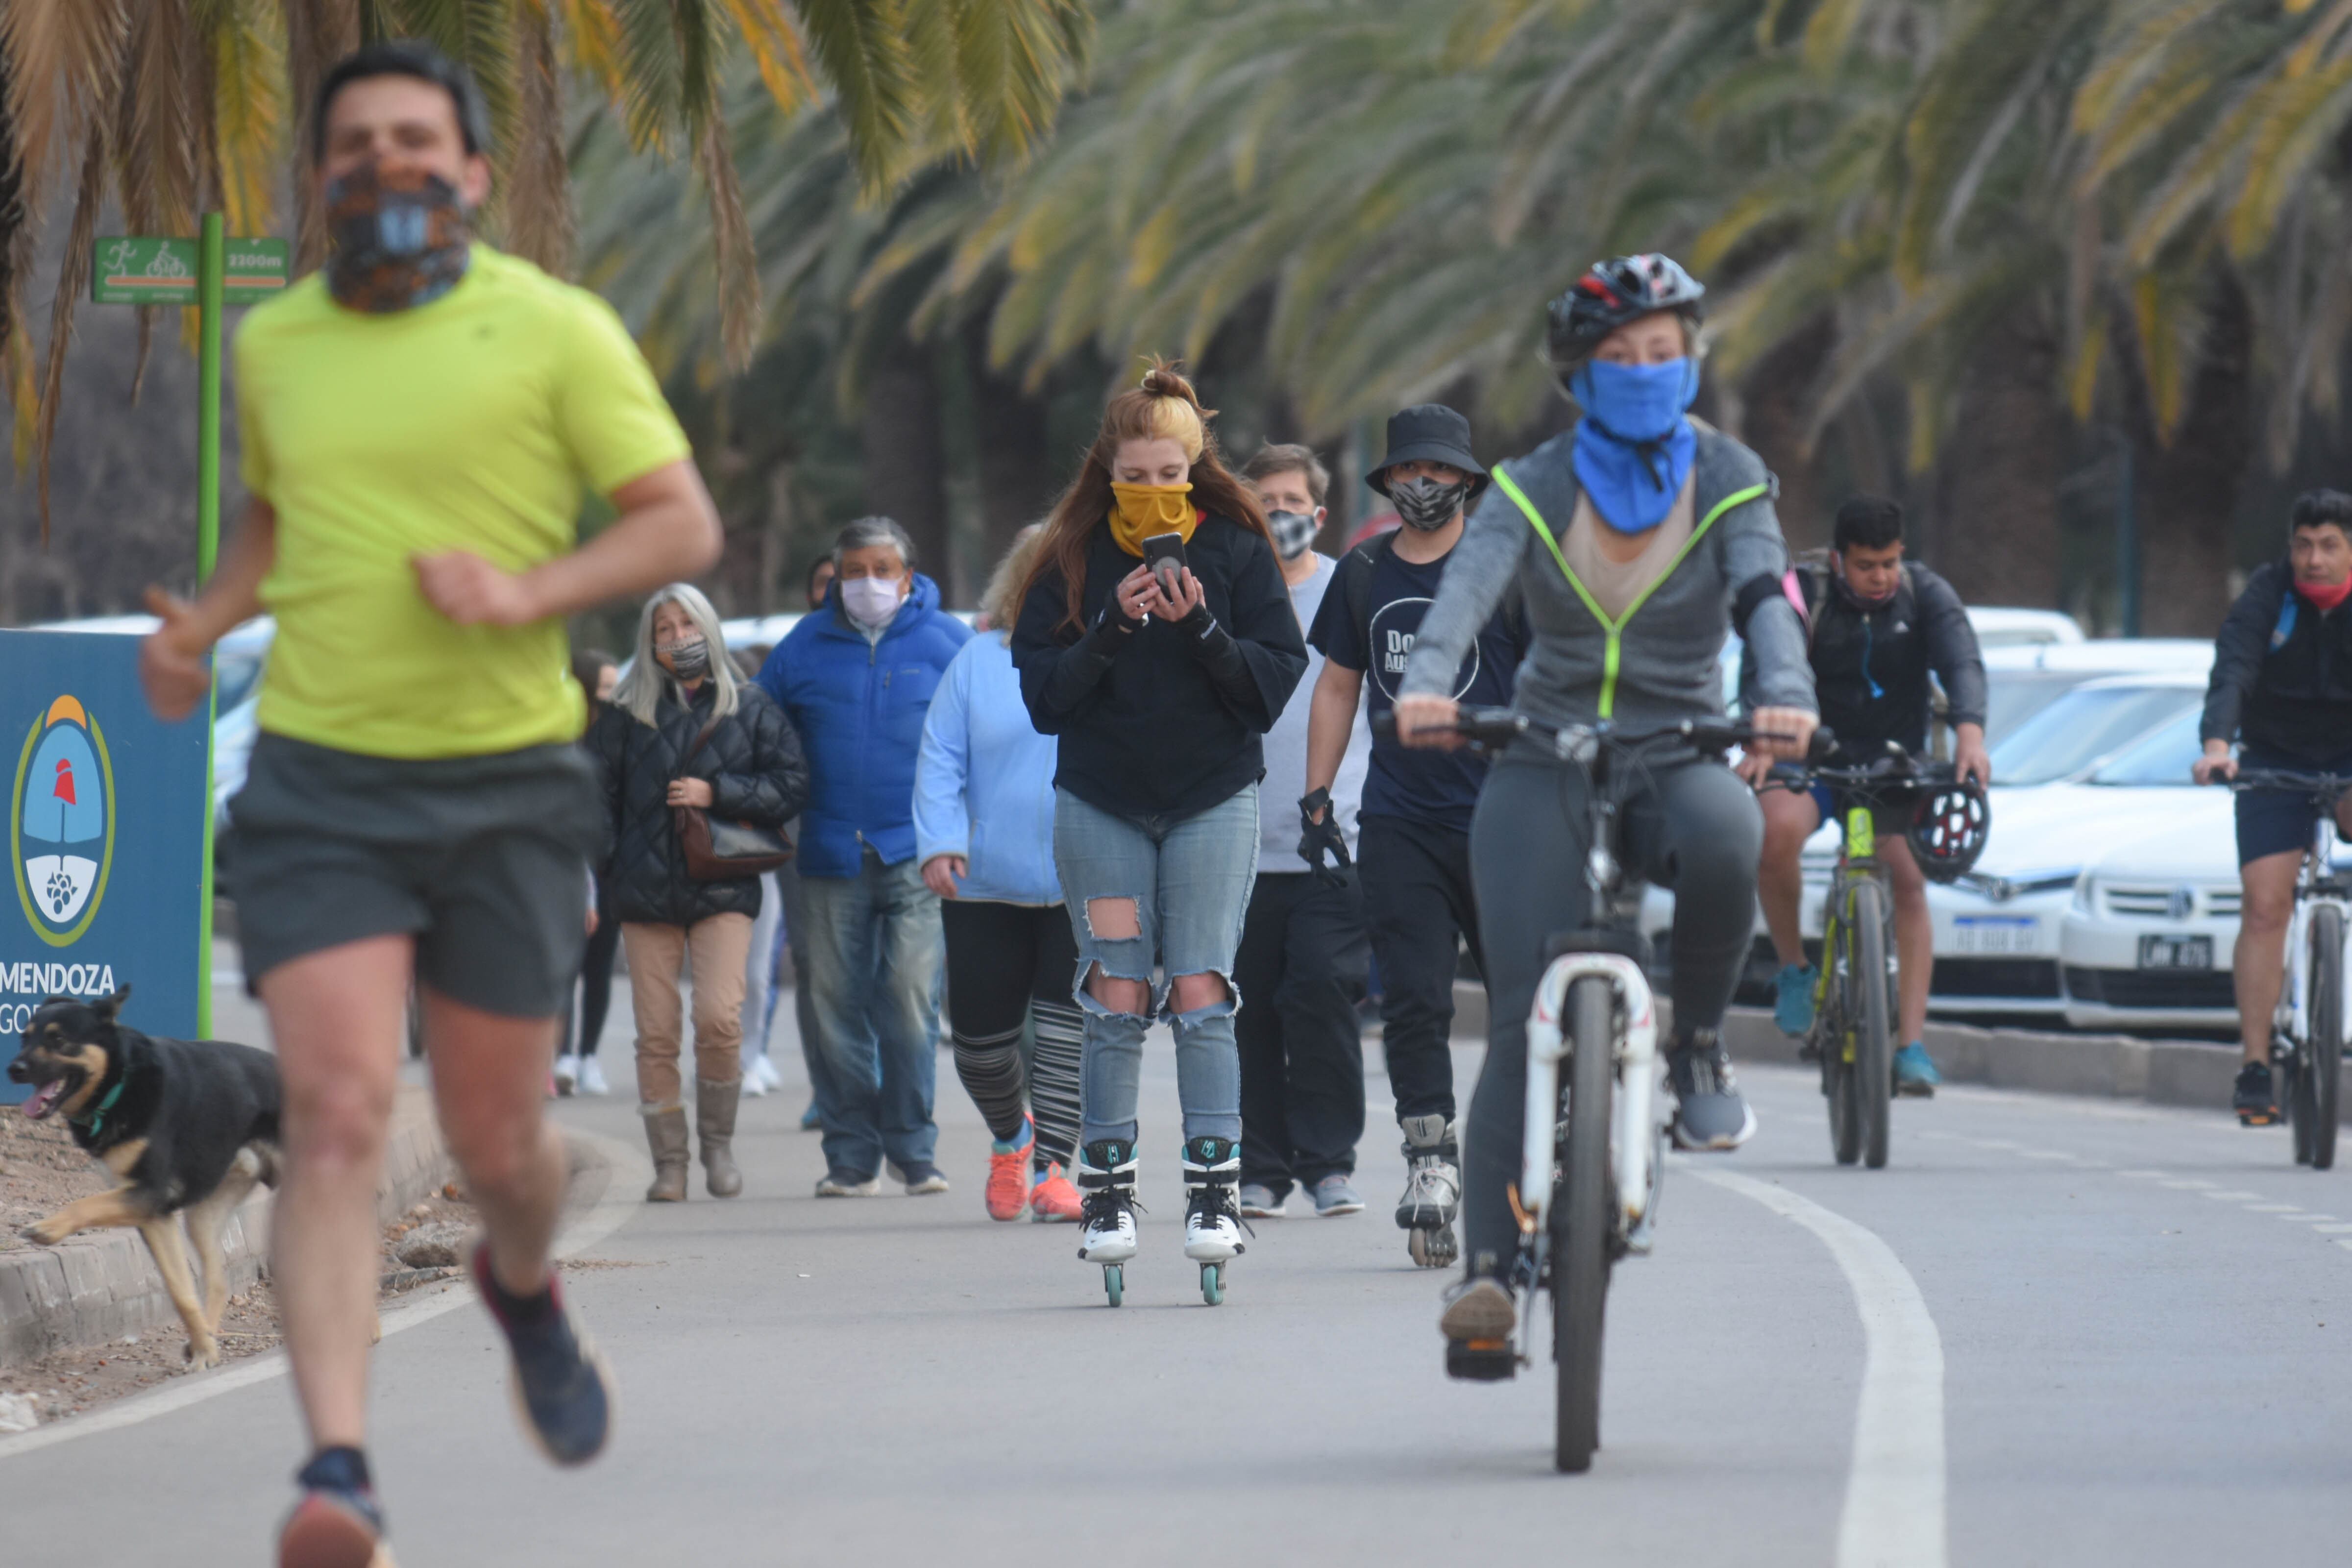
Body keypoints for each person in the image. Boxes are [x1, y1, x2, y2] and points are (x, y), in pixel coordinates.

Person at [135, 42, 723, 1565]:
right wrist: (202, 624)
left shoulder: (554, 329)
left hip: (507, 778)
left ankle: (519, 1285)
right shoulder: (278, 345)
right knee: (331, 1115)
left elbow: (679, 518)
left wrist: (527, 585)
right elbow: (282, 510)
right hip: (324, 777)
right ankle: (339, 1471)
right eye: (356, 142)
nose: (386, 163)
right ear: (321, 174)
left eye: (416, 139)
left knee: (496, 1138)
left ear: (470, 171)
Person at [1390, 254, 1817, 1361]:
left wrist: (1782, 697)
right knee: (1522, 1012)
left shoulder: (1729, 477)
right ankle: (1485, 1282)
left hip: (1678, 745)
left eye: (1662, 353)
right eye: (1619, 356)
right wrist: (1426, 682)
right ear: (1576, 371)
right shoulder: (1531, 483)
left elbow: (1767, 598)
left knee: (1731, 833)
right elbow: (1466, 587)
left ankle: (1700, 1050)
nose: (1642, 371)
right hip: (1541, 753)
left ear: (1690, 361)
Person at [1009, 364, 1307, 1293]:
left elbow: (1271, 685)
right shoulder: (1067, 552)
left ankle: (1216, 1190)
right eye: (1133, 477)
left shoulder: (1238, 548)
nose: (1151, 492)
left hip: (1212, 797)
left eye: (1168, 474)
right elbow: (1044, 701)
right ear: (1107, 471)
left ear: (1197, 467)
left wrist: (1206, 628)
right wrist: (1110, 628)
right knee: (1117, 995)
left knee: (1204, 986)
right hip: (1101, 800)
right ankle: (1106, 1190)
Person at [1302, 404, 1525, 1268]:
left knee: (1522, 995)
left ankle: (1537, 1143)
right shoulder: (1361, 573)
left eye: (1441, 473)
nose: (1425, 485)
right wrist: (1317, 798)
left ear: (1468, 482)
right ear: (1390, 481)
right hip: (1402, 822)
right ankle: (1430, 1162)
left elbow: (1550, 676)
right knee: (1417, 997)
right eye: (1410, 472)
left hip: (1507, 818)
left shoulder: (1505, 568)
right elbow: (1336, 686)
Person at [757, 518, 971, 1196]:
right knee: (834, 1005)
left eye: (883, 569)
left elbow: (983, 736)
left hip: (919, 854)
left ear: (908, 577)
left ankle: (914, 1150)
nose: (869, 583)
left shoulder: (947, 644)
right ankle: (851, 1155)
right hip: (825, 854)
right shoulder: (802, 647)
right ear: (838, 578)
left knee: (909, 999)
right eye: (855, 571)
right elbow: (756, 728)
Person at [1751, 495, 1988, 1094]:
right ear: (1838, 560)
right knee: (1773, 831)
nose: (1879, 576)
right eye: (1865, 565)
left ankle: (1910, 1045)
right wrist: (1762, 736)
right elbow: (1765, 660)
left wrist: (1970, 732)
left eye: (1888, 562)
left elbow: (1962, 661)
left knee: (1908, 882)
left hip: (1892, 763)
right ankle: (1795, 971)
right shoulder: (1806, 592)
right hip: (1814, 759)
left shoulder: (1925, 593)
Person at [587, 586, 808, 1200]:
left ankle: (718, 1146)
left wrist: (720, 794)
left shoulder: (752, 706)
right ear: (650, 641)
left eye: (688, 623)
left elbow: (791, 784)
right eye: (665, 627)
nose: (678, 636)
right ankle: (671, 1163)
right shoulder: (625, 714)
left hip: (722, 884)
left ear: (708, 630)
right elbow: (591, 798)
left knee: (719, 1017)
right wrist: (612, 863)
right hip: (645, 893)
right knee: (656, 1032)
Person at [915, 526, 1087, 1222]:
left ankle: (1055, 1172)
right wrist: (940, 843)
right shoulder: (980, 659)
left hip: (1083, 877)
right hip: (984, 881)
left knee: (1066, 1035)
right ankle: (1011, 1138)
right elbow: (940, 758)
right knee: (982, 1048)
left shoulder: (1116, 653)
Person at [1232, 443, 1373, 1220]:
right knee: (1247, 1007)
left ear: (1319, 516)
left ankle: (1330, 1165)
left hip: (1334, 841)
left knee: (1320, 992)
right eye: (1264, 502)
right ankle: (1261, 1169)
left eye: (1291, 502)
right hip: (1238, 846)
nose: (1277, 515)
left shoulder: (1349, 593)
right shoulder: (1224, 591)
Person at [2195, 489, 2352, 1125]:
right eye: (2304, 545)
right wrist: (2216, 748)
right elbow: (2232, 671)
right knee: (2265, 907)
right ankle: (2256, 1065)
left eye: (2330, 546)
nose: (2314, 559)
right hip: (2273, 761)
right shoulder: (2268, 595)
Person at [776, 558, 837, 1129]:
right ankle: (827, 1087)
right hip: (803, 827)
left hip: (882, 830)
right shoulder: (795, 651)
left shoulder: (893, 646)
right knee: (814, 965)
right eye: (824, 581)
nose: (839, 589)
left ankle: (880, 1088)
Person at [557, 648, 621, 1097]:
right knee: (565, 965)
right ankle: (563, 1056)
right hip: (569, 867)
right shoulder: (563, 740)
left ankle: (588, 1056)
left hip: (612, 865)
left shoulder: (623, 736)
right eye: (605, 689)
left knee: (599, 967)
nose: (613, 698)